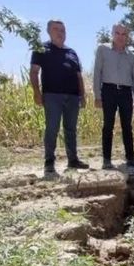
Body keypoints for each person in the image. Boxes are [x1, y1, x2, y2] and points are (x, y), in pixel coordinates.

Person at [29, 19, 89, 174]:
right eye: (56, 29)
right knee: (52, 128)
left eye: (63, 30)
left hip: (73, 97)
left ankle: (73, 160)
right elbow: (34, 72)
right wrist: (37, 92)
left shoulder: (71, 52)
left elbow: (79, 76)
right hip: (52, 96)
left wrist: (82, 95)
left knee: (71, 129)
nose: (60, 33)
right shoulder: (41, 49)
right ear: (49, 31)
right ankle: (49, 162)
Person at [93, 24, 134, 169]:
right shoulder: (103, 50)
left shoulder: (132, 56)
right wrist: (97, 95)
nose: (120, 37)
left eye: (124, 34)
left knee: (127, 126)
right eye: (117, 33)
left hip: (126, 92)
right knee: (108, 126)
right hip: (108, 91)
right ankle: (107, 160)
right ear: (112, 34)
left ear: (127, 37)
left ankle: (131, 159)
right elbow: (97, 73)